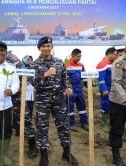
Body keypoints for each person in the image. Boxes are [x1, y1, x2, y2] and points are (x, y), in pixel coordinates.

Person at [31, 36, 78, 166]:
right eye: (43, 46)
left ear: (51, 47)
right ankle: (44, 155)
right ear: (39, 48)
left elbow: (65, 77)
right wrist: (45, 75)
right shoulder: (34, 64)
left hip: (59, 99)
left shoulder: (59, 62)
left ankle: (66, 152)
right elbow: (34, 83)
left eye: (48, 46)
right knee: (42, 128)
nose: (46, 48)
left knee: (63, 126)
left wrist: (68, 87)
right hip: (42, 101)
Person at [109, 38, 126, 166]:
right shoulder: (119, 62)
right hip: (119, 101)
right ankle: (116, 156)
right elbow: (116, 83)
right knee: (117, 129)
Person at [66, 48, 88, 132]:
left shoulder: (81, 65)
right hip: (70, 90)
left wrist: (87, 87)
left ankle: (84, 123)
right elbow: (64, 78)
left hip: (79, 89)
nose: (80, 58)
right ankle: (71, 124)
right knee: (70, 107)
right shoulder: (67, 66)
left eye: (80, 56)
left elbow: (84, 77)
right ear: (73, 56)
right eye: (78, 56)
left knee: (82, 107)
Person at [96, 47, 117, 132]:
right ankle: (105, 125)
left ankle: (111, 124)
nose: (116, 56)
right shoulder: (103, 63)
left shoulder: (111, 63)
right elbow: (101, 78)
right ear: (110, 54)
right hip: (106, 89)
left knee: (112, 106)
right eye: (115, 54)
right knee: (106, 105)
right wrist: (104, 89)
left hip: (113, 87)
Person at [20, 55, 37, 158]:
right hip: (21, 93)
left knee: (28, 113)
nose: (29, 61)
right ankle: (19, 130)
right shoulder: (20, 68)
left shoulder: (33, 69)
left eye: (31, 59)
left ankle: (28, 135)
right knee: (20, 113)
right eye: (28, 59)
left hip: (30, 93)